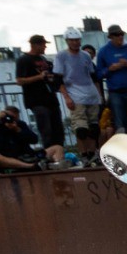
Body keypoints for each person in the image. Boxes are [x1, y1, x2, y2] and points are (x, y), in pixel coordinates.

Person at [54, 29, 103, 160]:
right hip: (75, 94)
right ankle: (84, 154)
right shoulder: (61, 56)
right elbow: (58, 79)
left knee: (94, 127)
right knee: (81, 129)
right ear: (67, 41)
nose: (75, 43)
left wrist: (98, 95)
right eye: (72, 40)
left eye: (77, 40)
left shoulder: (86, 56)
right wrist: (67, 97)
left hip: (90, 94)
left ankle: (92, 153)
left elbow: (93, 76)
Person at [16, 34, 64, 151]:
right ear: (35, 45)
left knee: (58, 129)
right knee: (46, 129)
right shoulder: (24, 60)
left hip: (51, 98)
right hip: (36, 100)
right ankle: (49, 154)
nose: (45, 47)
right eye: (43, 45)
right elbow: (19, 80)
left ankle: (59, 152)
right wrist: (39, 77)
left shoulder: (43, 59)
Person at [0, 106, 50, 171]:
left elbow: (34, 140)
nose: (11, 120)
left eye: (14, 118)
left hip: (23, 156)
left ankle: (52, 166)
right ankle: (30, 167)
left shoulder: (20, 125)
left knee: (57, 148)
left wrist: (18, 130)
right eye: (9, 117)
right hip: (5, 157)